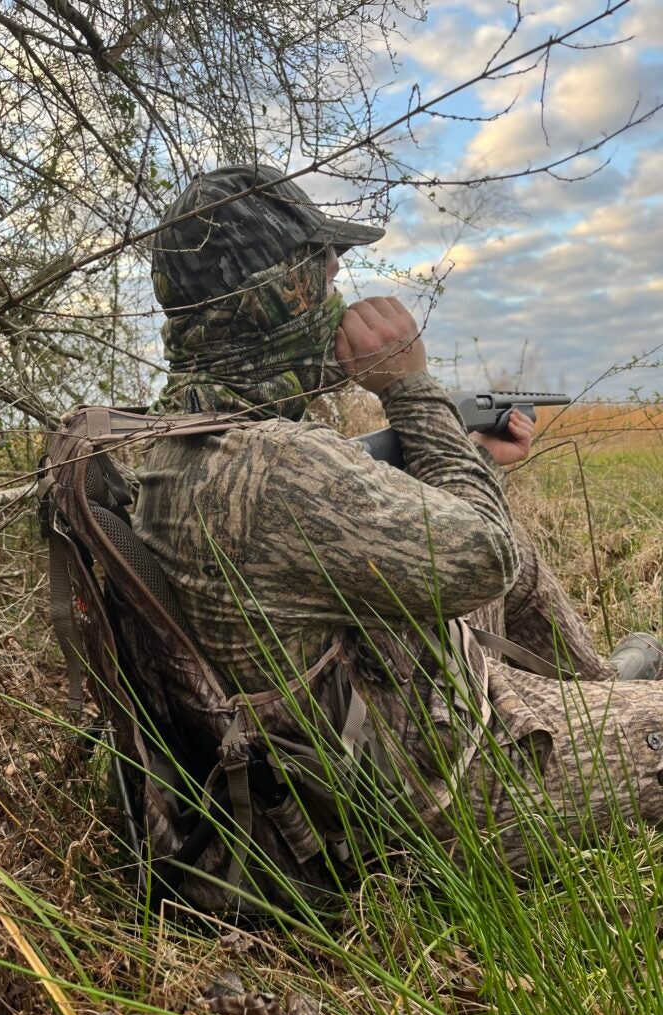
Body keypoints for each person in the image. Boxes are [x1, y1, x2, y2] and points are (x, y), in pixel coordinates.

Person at [135, 163, 663, 868]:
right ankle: (615, 714)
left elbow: (340, 519)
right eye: (321, 281)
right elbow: (485, 553)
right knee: (505, 554)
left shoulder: (180, 443)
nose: (336, 301)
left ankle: (595, 691)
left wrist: (454, 452)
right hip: (438, 796)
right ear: (279, 301)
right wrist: (412, 389)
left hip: (359, 731)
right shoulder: (280, 469)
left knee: (511, 555)